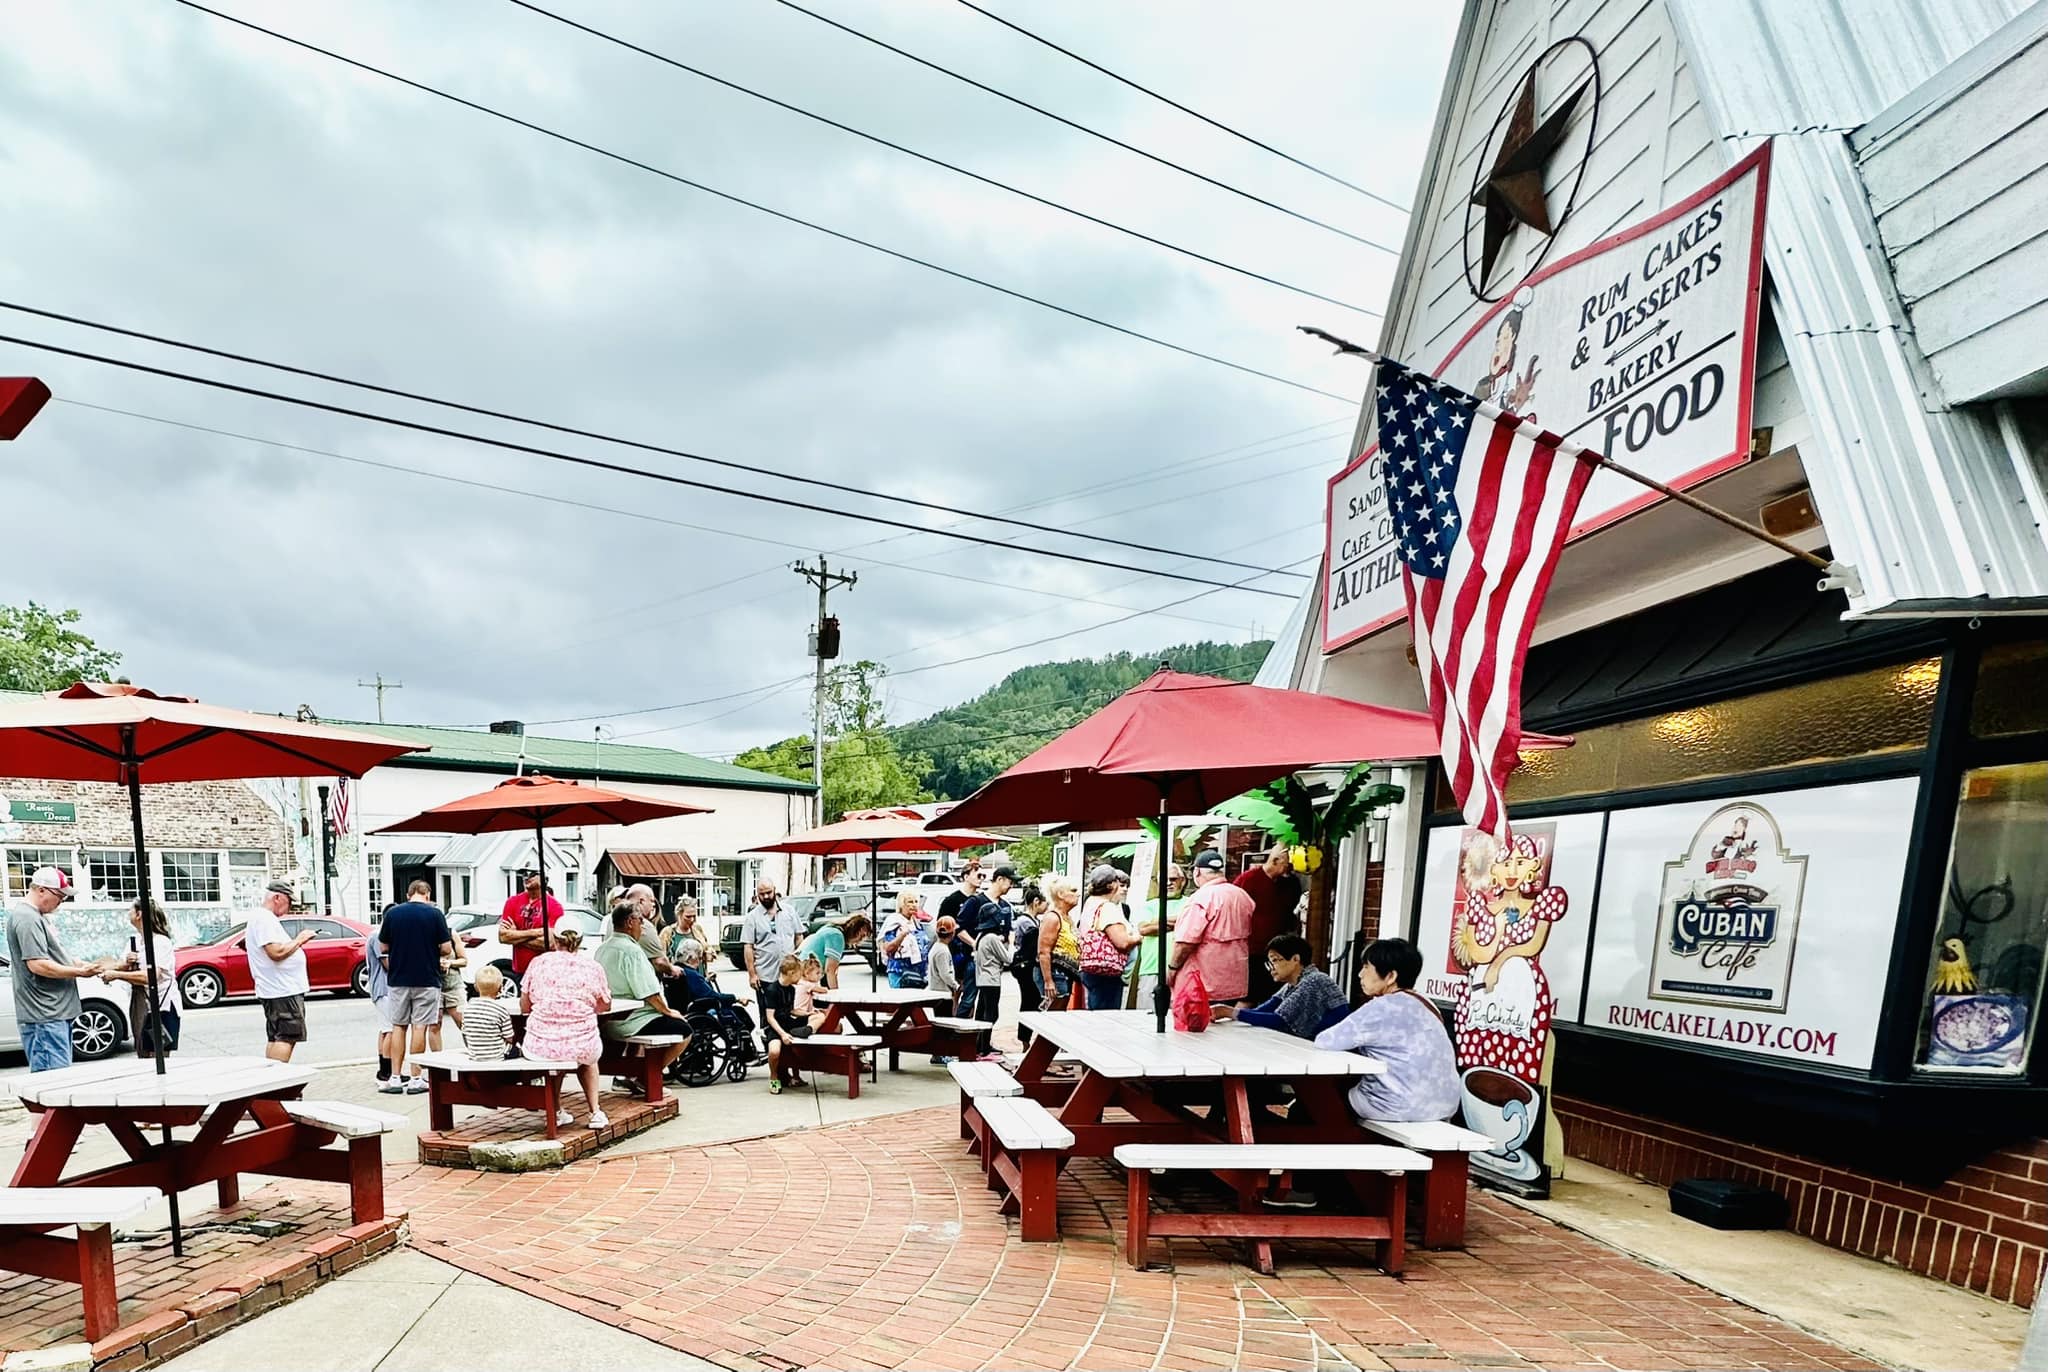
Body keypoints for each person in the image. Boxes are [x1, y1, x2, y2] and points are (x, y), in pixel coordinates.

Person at [1313, 938, 1461, 1124]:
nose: (1360, 974)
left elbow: (1325, 1042)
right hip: (1443, 1108)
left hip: (1394, 1107)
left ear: (1391, 976)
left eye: (1366, 967)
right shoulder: (1427, 1003)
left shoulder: (1382, 1007)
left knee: (1319, 1099)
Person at [5, 867, 107, 1073]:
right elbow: (37, 964)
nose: (61, 901)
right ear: (41, 890)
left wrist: (78, 964)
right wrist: (79, 972)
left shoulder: (36, 916)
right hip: (45, 1016)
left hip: (51, 1015)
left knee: (56, 1083)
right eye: (59, 896)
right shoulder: (27, 918)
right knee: (54, 1084)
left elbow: (51, 955)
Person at [520, 925, 613, 1128]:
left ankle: (556, 1110)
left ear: (555, 940)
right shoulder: (592, 967)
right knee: (586, 1056)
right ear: (579, 941)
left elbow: (525, 1006)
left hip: (540, 1045)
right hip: (582, 1044)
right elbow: (605, 1005)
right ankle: (595, 1111)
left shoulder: (538, 963)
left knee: (557, 1050)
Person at [593, 901, 692, 1092]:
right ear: (630, 922)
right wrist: (669, 1012)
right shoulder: (632, 951)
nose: (643, 926)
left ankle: (629, 1077)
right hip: (632, 1020)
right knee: (684, 1030)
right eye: (641, 921)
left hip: (608, 1020)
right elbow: (649, 993)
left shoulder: (602, 949)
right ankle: (649, 1076)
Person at [378, 880, 454, 1094]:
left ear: (408, 893)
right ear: (427, 894)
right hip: (426, 978)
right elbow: (446, 948)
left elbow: (383, 945)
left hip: (398, 978)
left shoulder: (393, 914)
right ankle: (415, 1078)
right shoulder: (435, 914)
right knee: (419, 1026)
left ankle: (394, 1077)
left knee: (398, 1026)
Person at [1214, 935, 1349, 1039]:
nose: (1271, 968)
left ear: (1295, 959)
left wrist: (1228, 1012)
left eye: (1275, 960)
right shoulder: (1292, 985)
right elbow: (1263, 1010)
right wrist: (1226, 1012)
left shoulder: (1315, 980)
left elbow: (1279, 1020)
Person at [1168, 850, 1255, 1006]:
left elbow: (1185, 943)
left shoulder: (1201, 898)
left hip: (1202, 984)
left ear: (1197, 871)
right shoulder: (1242, 895)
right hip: (1234, 981)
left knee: (1197, 1028)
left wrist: (1172, 968)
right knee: (1225, 1027)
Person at [246, 880, 316, 1062]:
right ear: (277, 898)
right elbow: (276, 952)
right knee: (286, 1037)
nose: (290, 907)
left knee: (276, 1036)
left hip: (275, 988)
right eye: (289, 901)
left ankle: (271, 1079)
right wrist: (300, 939)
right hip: (283, 990)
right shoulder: (265, 919)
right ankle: (277, 1082)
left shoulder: (260, 918)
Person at [106, 898, 180, 1059]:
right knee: (142, 1051)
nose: (128, 913)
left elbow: (151, 977)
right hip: (140, 1005)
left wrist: (117, 975)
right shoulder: (135, 941)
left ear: (139, 914)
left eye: (130, 910)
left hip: (161, 1006)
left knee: (158, 1055)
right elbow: (120, 964)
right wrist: (124, 963)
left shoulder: (160, 943)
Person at [1235, 844, 1304, 1006]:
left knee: (1274, 995)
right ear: (1275, 860)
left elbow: (1291, 912)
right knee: (1249, 997)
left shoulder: (1291, 883)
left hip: (1278, 950)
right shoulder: (1248, 880)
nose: (1291, 869)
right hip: (1251, 951)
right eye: (1288, 864)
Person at [1076, 866, 1137, 1011]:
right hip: (1106, 971)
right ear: (1111, 885)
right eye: (1117, 881)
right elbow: (1122, 942)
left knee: (1096, 1009)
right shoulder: (1106, 907)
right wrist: (1137, 937)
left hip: (1090, 969)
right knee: (1106, 1017)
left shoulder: (1090, 903)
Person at [756, 954, 811, 1094]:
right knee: (774, 1051)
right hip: (775, 1026)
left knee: (817, 1019)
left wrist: (807, 1013)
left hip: (787, 1022)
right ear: (791, 973)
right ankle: (774, 1076)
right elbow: (770, 1017)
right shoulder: (772, 990)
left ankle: (796, 1074)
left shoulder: (791, 989)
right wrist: (782, 1034)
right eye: (799, 973)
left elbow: (791, 1010)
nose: (801, 977)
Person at [498, 871, 564, 985]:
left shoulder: (554, 906)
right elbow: (503, 937)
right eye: (524, 874)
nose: (527, 877)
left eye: (533, 874)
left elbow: (549, 943)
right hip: (520, 971)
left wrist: (516, 936)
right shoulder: (512, 902)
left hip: (544, 970)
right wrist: (538, 932)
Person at [742, 879, 802, 998]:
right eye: (762, 894)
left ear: (775, 890)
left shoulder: (789, 911)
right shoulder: (752, 917)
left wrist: (798, 963)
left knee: (789, 1012)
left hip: (789, 974)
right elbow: (748, 947)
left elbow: (799, 936)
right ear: (757, 895)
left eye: (769, 892)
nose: (766, 896)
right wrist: (752, 975)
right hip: (765, 975)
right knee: (767, 1014)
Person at [1035, 877, 1081, 1012]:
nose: (1078, 894)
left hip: (1064, 974)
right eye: (1073, 890)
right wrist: (1048, 981)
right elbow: (1043, 951)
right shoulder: (1052, 918)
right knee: (1053, 1015)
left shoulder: (1066, 918)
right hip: (1055, 973)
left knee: (1057, 1015)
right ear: (1061, 895)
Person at [923, 915, 963, 1061]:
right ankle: (941, 1053)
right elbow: (946, 974)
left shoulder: (937, 947)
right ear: (951, 933)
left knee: (940, 1025)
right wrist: (956, 986)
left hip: (937, 991)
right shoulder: (942, 951)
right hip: (942, 993)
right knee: (944, 1026)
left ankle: (938, 1053)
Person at [1010, 886, 1047, 1046]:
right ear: (1036, 902)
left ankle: (1025, 1038)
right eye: (1045, 903)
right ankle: (1024, 1039)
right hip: (1025, 967)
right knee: (1029, 1001)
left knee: (1032, 1001)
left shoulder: (1033, 921)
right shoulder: (1026, 922)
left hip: (1029, 966)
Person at [798, 913, 873, 991]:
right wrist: (835, 994)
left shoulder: (830, 928)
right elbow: (830, 970)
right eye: (861, 936)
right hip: (805, 973)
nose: (859, 941)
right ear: (856, 930)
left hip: (799, 969)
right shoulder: (837, 936)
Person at [364, 914, 396, 1082]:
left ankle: (384, 1070)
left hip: (380, 988)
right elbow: (387, 964)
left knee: (385, 1029)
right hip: (385, 988)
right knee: (391, 1030)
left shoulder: (374, 934)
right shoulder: (378, 936)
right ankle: (388, 1071)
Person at [462, 965, 516, 1061]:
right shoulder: (501, 1010)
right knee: (517, 1049)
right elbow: (509, 1038)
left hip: (474, 1055)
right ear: (501, 988)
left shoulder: (467, 1009)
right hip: (497, 1055)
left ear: (475, 987)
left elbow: (465, 1033)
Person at [879, 890, 928, 988]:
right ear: (901, 905)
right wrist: (901, 935)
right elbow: (888, 949)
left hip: (918, 972)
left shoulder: (916, 922)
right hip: (900, 972)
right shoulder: (894, 922)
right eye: (910, 902)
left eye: (916, 902)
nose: (914, 905)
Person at [626, 884, 677, 978]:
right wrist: (673, 970)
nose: (653, 905)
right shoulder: (642, 925)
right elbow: (659, 962)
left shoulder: (611, 921)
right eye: (652, 901)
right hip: (639, 984)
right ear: (641, 901)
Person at [665, 897, 708, 970]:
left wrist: (708, 954)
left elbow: (706, 948)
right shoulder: (668, 933)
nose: (692, 920)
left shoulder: (697, 929)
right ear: (679, 914)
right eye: (688, 917)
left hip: (699, 977)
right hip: (679, 978)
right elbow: (661, 958)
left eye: (694, 916)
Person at [794, 954, 827, 1029]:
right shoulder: (807, 985)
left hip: (800, 1012)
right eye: (817, 973)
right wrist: (825, 989)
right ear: (807, 973)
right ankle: (809, 1029)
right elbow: (822, 990)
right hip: (801, 1013)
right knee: (821, 1017)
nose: (820, 976)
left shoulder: (801, 982)